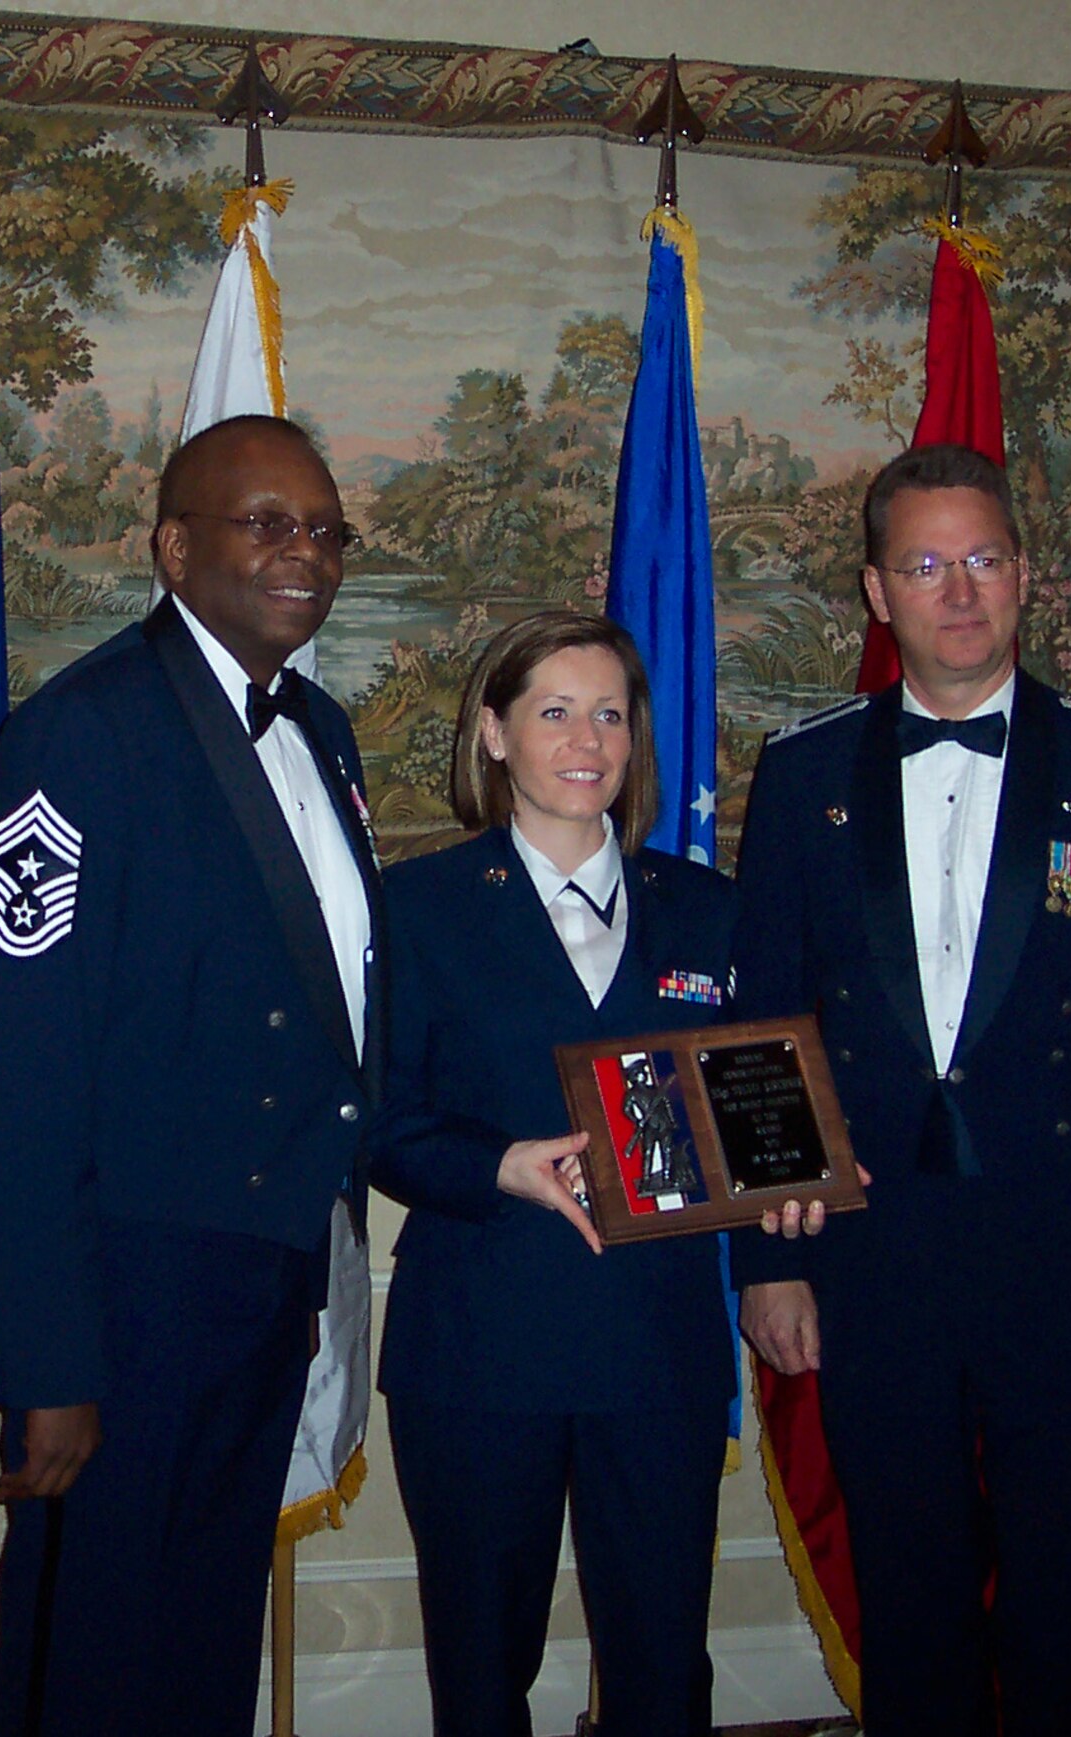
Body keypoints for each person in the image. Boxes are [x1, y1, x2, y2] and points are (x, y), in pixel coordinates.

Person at [730, 444, 1071, 1737]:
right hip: (873, 1256)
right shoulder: (802, 774)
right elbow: (763, 1030)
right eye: (926, 564)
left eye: (984, 560)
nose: (960, 591)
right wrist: (768, 1263)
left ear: (1025, 576)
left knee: (1069, 1596)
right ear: (876, 590)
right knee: (912, 1597)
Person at [0, 415, 384, 1736]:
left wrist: (301, 1265)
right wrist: (49, 1359)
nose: (302, 551)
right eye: (264, 522)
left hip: (257, 1275)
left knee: (199, 1637)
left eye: (323, 529)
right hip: (127, 1298)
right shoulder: (81, 736)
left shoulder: (324, 731)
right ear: (175, 546)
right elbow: (15, 1073)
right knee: (96, 1650)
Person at [372, 611, 830, 1737]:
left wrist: (798, 1187)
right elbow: (373, 1124)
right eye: (554, 712)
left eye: (611, 714)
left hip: (655, 1348)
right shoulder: (416, 908)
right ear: (493, 734)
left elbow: (762, 1114)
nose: (587, 741)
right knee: (481, 1668)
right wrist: (495, 1167)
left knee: (664, 1662)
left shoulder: (710, 913)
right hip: (478, 1348)